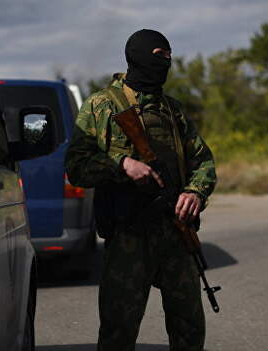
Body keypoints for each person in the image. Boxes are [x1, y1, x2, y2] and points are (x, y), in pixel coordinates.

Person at [65, 29, 217, 351]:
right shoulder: (101, 105)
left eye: (169, 56)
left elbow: (203, 161)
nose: (166, 62)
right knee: (118, 332)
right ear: (138, 55)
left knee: (189, 327)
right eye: (160, 55)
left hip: (175, 231)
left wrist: (195, 193)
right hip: (129, 236)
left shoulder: (172, 111)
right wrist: (122, 166)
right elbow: (76, 166)